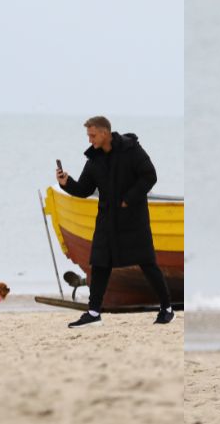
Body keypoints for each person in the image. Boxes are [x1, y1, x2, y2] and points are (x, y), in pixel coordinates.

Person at [56, 116, 175, 327]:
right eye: (88, 136)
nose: (90, 140)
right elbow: (84, 189)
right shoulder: (94, 160)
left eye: (92, 135)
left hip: (133, 219)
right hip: (106, 221)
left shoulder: (132, 149)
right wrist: (67, 183)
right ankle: (93, 313)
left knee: (147, 263)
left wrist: (128, 199)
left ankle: (166, 308)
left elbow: (150, 176)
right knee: (99, 264)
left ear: (104, 133)